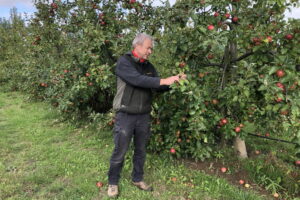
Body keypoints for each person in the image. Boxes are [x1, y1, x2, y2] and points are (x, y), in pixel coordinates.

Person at [107, 33, 186, 198]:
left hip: (143, 115)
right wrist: (164, 80)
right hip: (126, 114)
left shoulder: (149, 66)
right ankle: (113, 182)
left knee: (141, 150)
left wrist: (174, 82)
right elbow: (138, 80)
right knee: (120, 151)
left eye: (151, 48)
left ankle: (137, 178)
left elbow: (156, 85)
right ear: (137, 46)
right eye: (148, 47)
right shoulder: (124, 62)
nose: (150, 51)